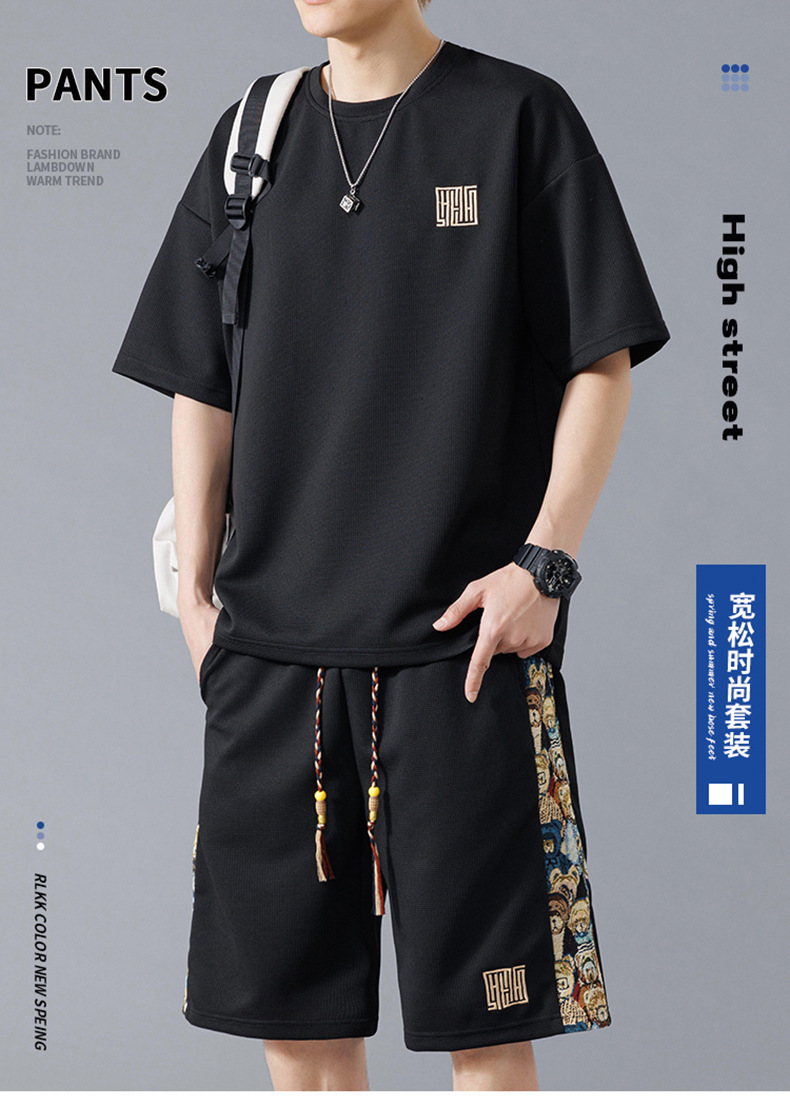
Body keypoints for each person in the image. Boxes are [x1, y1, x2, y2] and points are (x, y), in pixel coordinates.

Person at [111, 0, 669, 1092]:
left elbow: (599, 358)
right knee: (302, 1047)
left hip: (463, 659)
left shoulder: (518, 118)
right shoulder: (248, 137)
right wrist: (198, 603)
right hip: (272, 668)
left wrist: (545, 565)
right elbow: (200, 381)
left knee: (488, 1042)